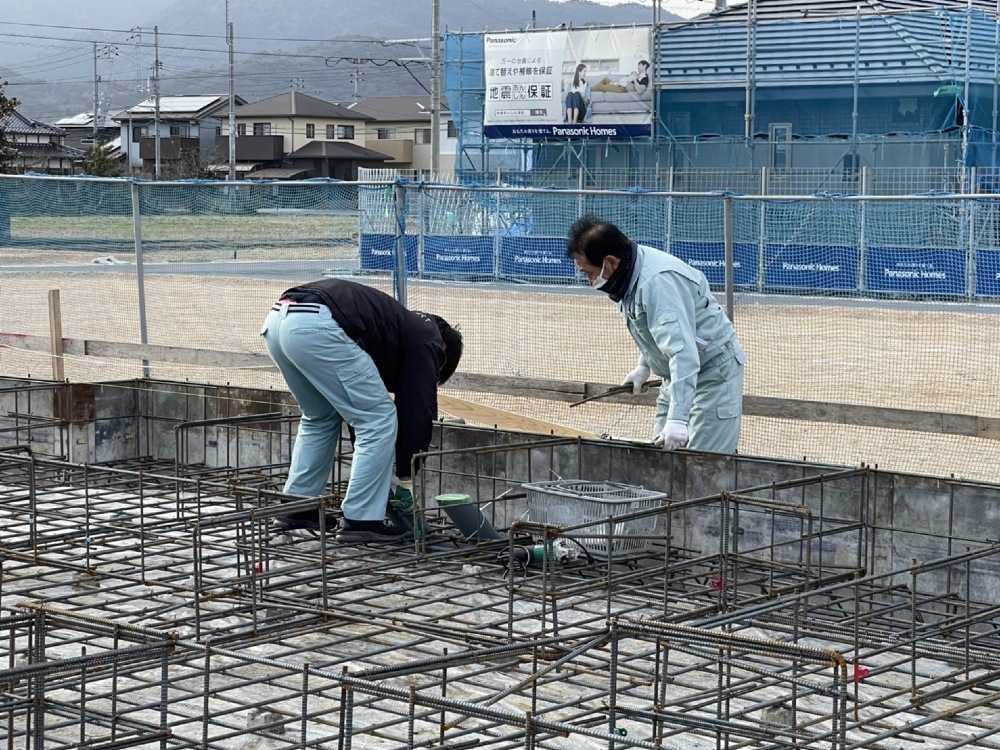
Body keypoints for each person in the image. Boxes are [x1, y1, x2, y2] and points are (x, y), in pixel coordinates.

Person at [261, 278, 463, 542]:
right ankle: (361, 520)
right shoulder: (429, 339)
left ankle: (297, 505)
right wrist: (406, 476)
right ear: (444, 352)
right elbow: (418, 410)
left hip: (278, 321)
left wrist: (374, 460)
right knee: (379, 418)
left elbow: (357, 410)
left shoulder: (393, 328)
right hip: (317, 325)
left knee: (320, 417)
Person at [566, 216, 745, 453]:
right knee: (663, 460)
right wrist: (645, 365)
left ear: (609, 262)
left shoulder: (658, 283)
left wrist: (678, 419)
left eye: (588, 272)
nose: (589, 280)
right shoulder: (627, 277)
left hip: (712, 375)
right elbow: (653, 328)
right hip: (677, 377)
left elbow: (683, 351)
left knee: (704, 465)